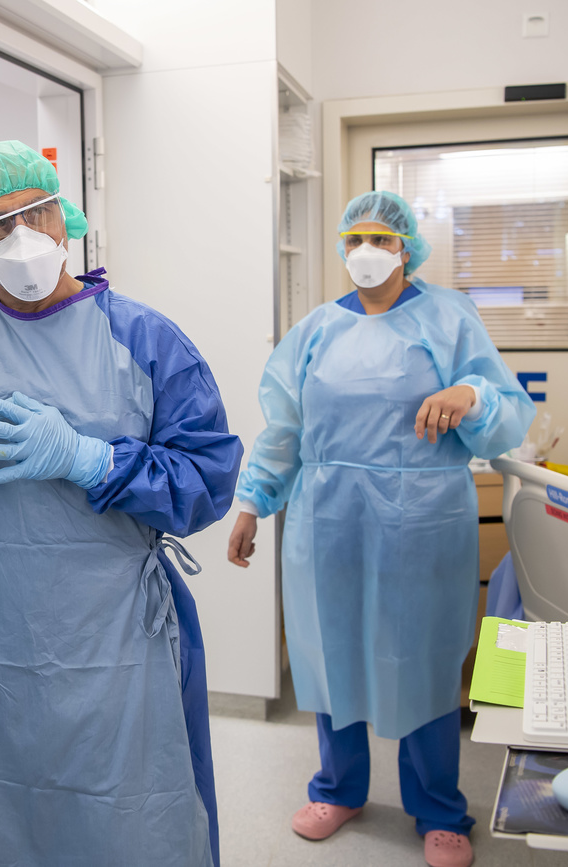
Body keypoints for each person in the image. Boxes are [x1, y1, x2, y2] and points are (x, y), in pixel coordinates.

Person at [0, 140, 242, 866]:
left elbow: (206, 479)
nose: (18, 237)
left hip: (117, 641)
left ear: (65, 216)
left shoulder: (145, 339)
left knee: (130, 821)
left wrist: (90, 458)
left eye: (33, 213)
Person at [226, 191, 534, 867]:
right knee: (331, 650)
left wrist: (471, 394)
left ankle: (439, 808)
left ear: (407, 248)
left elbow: (509, 408)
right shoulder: (312, 332)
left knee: (419, 656)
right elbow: (283, 430)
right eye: (357, 239)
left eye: (383, 240)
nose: (368, 252)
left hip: (420, 520)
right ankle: (338, 787)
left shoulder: (447, 317)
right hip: (328, 516)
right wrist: (252, 504)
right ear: (342, 248)